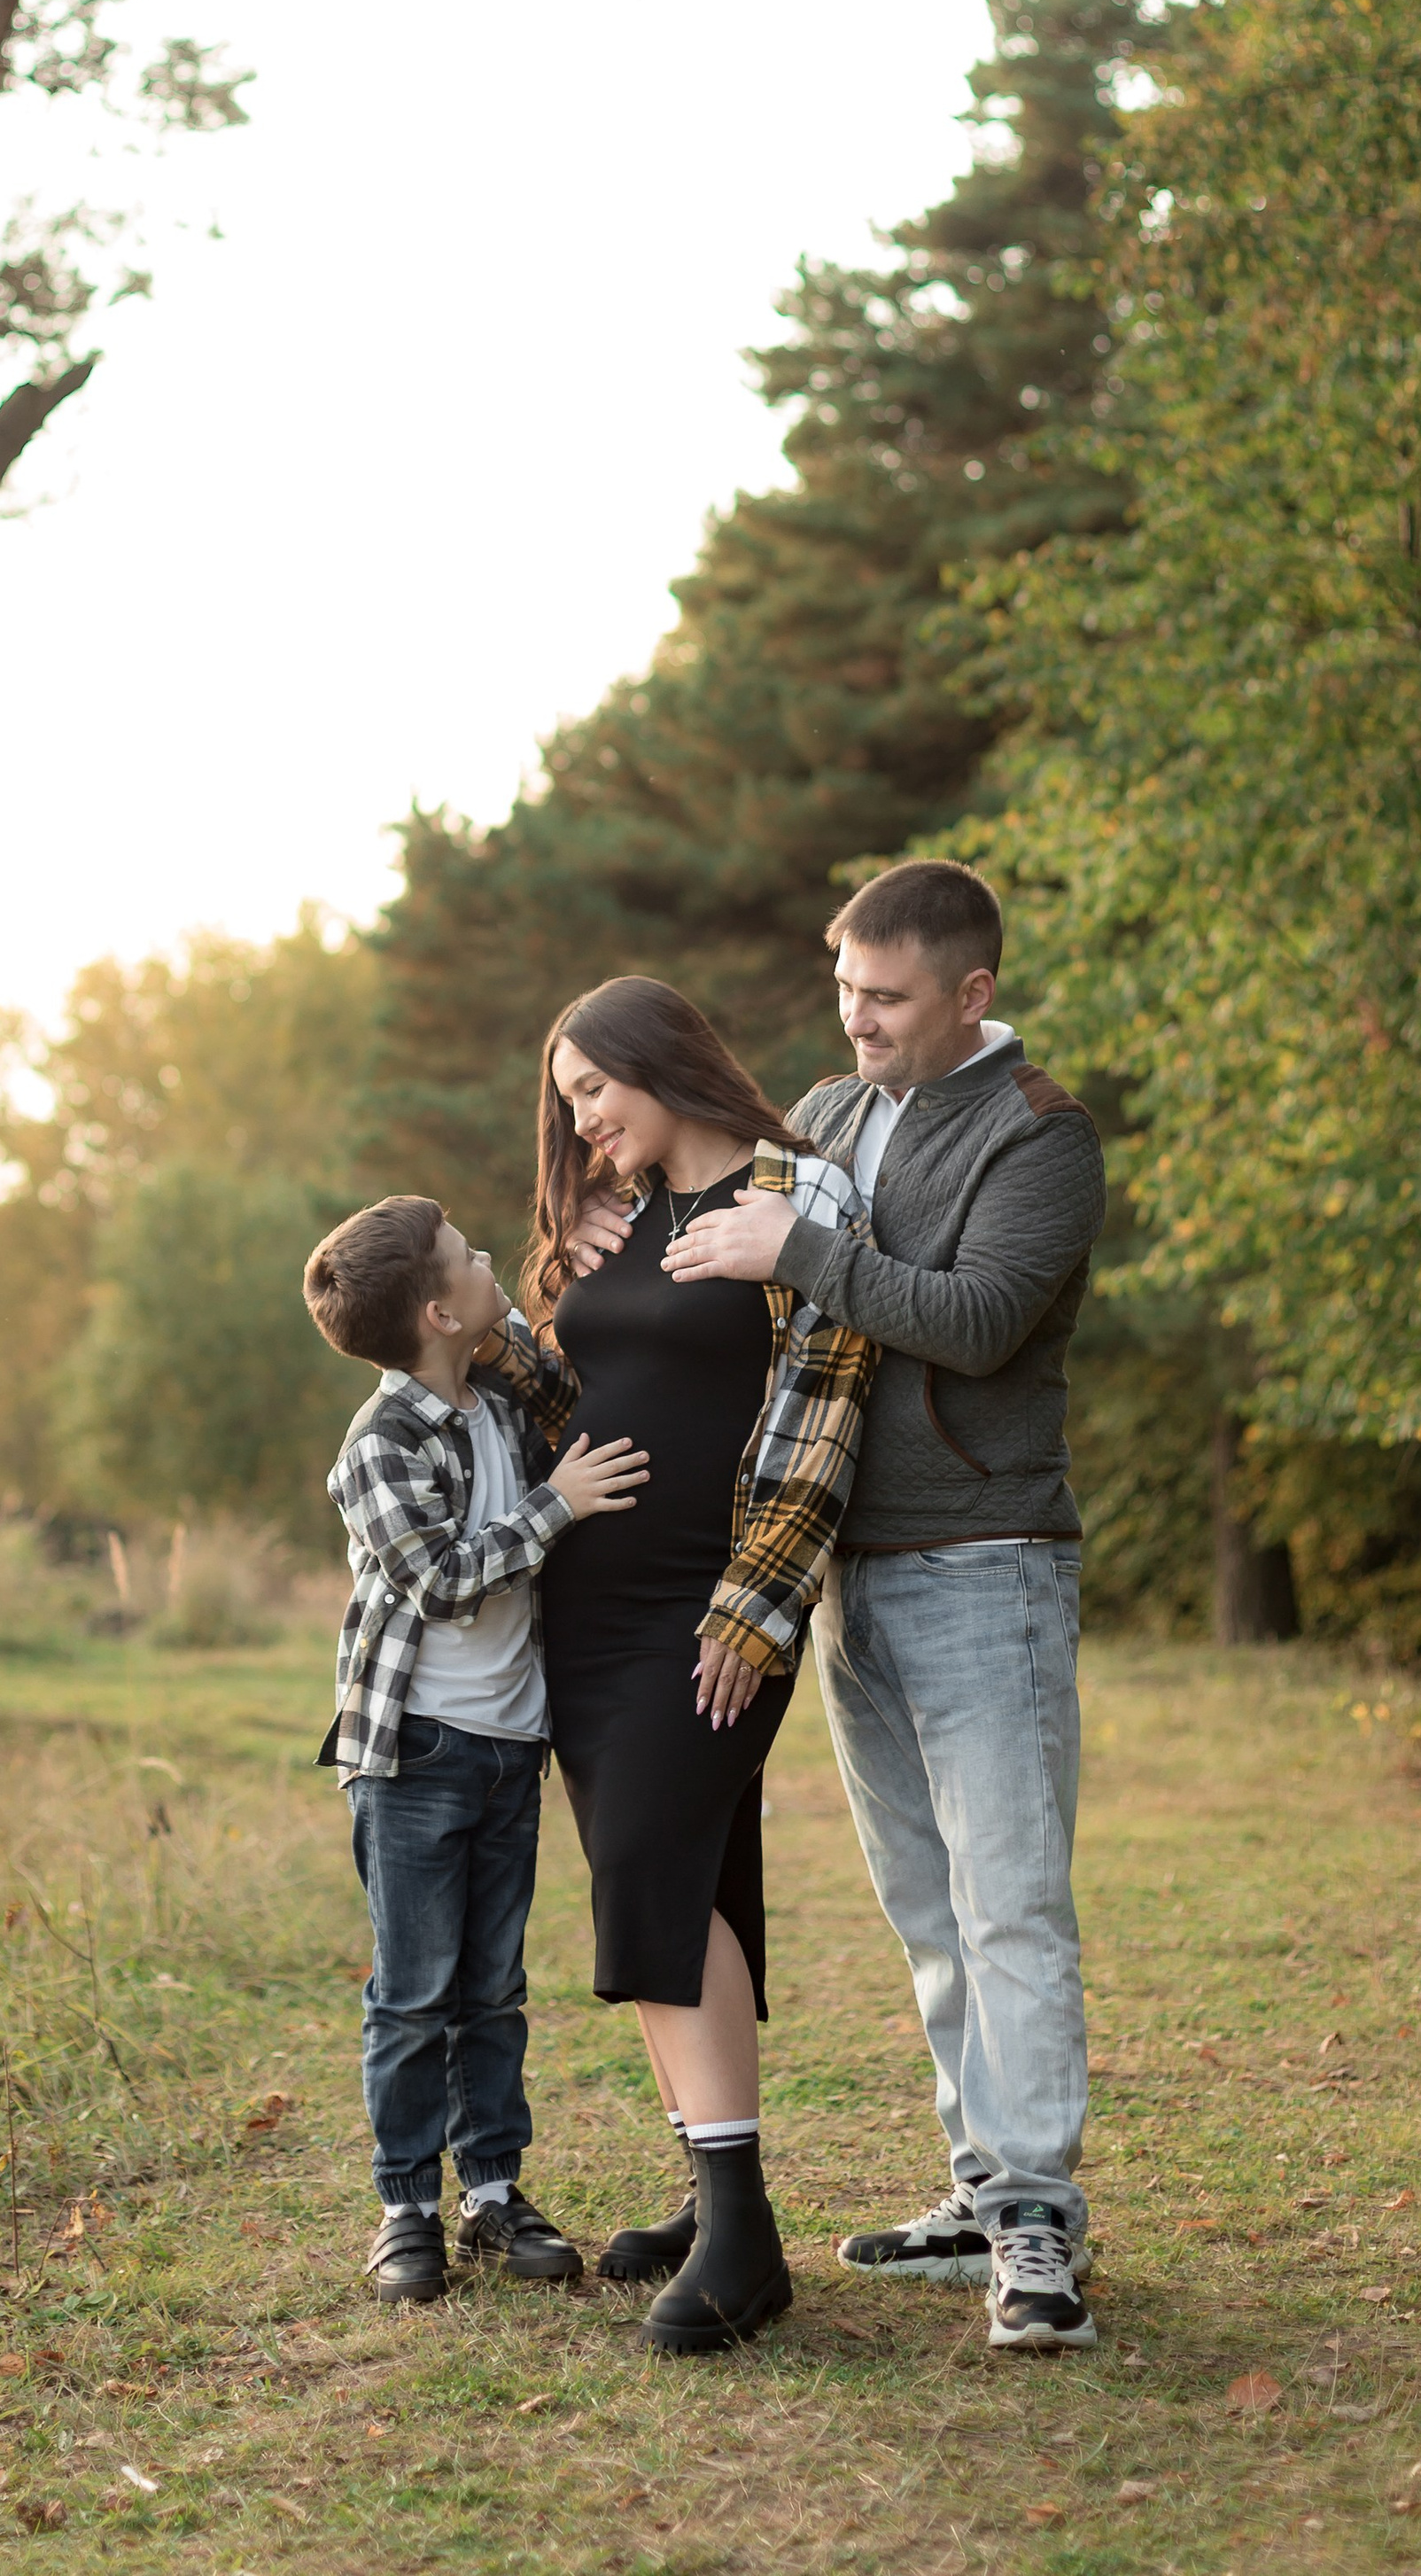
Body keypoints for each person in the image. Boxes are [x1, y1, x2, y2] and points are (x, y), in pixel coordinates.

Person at [653, 858, 1109, 2352]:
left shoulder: (1042, 1138)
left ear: (971, 995)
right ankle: (980, 2191)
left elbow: (978, 1325)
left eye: (886, 998)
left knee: (1011, 1906)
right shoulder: (834, 1112)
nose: (852, 1023)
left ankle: (1039, 2223)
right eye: (844, 989)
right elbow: (765, 1284)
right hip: (846, 1569)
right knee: (927, 1909)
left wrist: (807, 1254)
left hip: (988, 1562)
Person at [478, 977, 874, 2354]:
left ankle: (745, 2237)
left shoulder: (797, 1195)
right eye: (568, 1099)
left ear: (662, 1063)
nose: (581, 1121)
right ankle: (715, 2201)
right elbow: (553, 1397)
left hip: (708, 1604)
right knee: (680, 1877)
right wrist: (543, 1288)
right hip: (583, 1611)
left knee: (650, 1867)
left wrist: (754, 1607)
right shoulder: (617, 1221)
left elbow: (825, 1411)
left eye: (596, 1088)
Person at [306, 1191, 648, 2305]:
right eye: (464, 1258)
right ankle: (406, 2207)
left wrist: (593, 1242)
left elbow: (575, 1370)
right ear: (435, 1314)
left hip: (510, 1744)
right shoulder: (378, 1445)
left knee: (493, 1988)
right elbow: (447, 1582)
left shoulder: (501, 1397)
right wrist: (558, 1507)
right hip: (413, 1755)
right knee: (415, 1992)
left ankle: (492, 2193)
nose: (485, 1256)